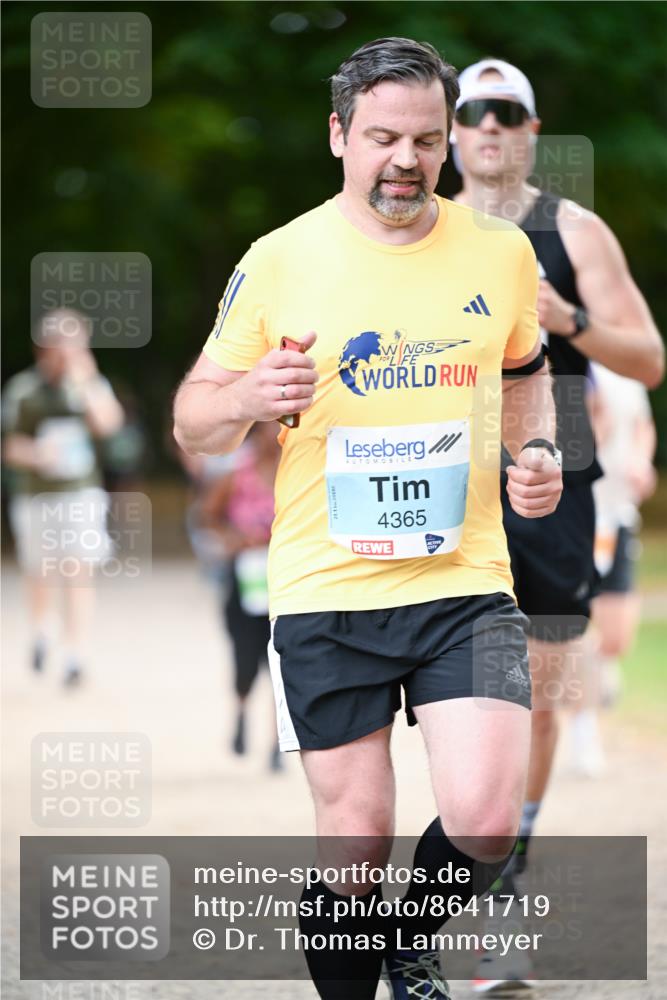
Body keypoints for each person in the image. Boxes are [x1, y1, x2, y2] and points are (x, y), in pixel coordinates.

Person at [174, 37, 563, 1000]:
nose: (406, 159)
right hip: (325, 588)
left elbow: (524, 375)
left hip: (464, 580)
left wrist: (538, 452)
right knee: (356, 844)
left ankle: (401, 939)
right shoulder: (277, 261)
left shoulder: (500, 252)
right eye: (383, 136)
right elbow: (191, 418)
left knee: (483, 817)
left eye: (426, 140)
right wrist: (249, 393)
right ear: (340, 135)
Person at [450, 58, 663, 993]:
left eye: (508, 113)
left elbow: (647, 357)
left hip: (552, 481)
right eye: (473, 113)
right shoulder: (420, 225)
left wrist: (568, 316)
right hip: (441, 485)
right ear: (451, 130)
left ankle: (505, 888)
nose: (489, 127)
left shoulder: (573, 230)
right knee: (434, 693)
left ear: (531, 130)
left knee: (535, 690)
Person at [2, 309, 124, 685]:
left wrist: (85, 381)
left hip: (80, 495)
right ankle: (42, 629)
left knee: (77, 570)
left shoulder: (89, 386)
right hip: (37, 495)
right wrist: (37, 454)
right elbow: (8, 445)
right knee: (41, 570)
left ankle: (75, 653)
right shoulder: (24, 391)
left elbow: (109, 424)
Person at [568, 363, 657, 776]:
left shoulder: (626, 368)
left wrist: (642, 461)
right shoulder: (567, 361)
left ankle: (598, 675)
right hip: (581, 516)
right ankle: (583, 731)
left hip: (620, 516)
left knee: (617, 638)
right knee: (581, 631)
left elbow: (643, 425)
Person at [198, 421, 283, 771]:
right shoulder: (237, 471)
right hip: (246, 577)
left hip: (286, 577)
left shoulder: (304, 469)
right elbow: (207, 516)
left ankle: (278, 743)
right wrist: (234, 538)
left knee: (283, 664)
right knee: (245, 658)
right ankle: (242, 713)